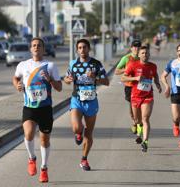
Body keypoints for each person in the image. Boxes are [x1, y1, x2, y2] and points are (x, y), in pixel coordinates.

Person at [12, 37, 62, 183]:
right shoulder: (23, 65)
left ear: (43, 49)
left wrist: (50, 80)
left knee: (44, 140)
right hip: (29, 107)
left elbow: (59, 88)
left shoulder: (50, 66)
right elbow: (15, 78)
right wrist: (17, 86)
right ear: (30, 49)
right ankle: (31, 158)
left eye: (39, 45)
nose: (36, 47)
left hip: (45, 108)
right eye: (33, 45)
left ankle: (44, 168)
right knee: (28, 133)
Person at [63, 39, 109, 171]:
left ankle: (84, 159)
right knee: (77, 127)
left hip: (91, 101)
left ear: (89, 49)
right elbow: (66, 79)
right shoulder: (73, 64)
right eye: (80, 48)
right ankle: (78, 133)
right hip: (76, 99)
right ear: (77, 50)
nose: (82, 50)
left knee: (89, 133)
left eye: (84, 47)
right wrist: (68, 79)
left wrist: (95, 77)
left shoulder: (96, 64)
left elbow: (106, 82)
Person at [121, 46, 162, 152]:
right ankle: (139, 132)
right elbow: (123, 78)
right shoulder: (132, 65)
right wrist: (135, 78)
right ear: (138, 55)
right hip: (135, 96)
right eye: (143, 53)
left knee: (145, 118)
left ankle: (145, 142)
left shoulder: (153, 66)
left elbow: (155, 75)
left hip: (148, 96)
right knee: (137, 120)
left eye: (147, 53)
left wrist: (157, 84)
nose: (145, 55)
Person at [115, 40, 141, 134]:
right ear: (131, 48)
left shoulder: (142, 58)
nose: (136, 48)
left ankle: (139, 125)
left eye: (138, 47)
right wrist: (126, 69)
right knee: (131, 111)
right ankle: (135, 122)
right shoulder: (126, 58)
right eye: (134, 46)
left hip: (140, 87)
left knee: (140, 108)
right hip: (129, 86)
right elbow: (116, 71)